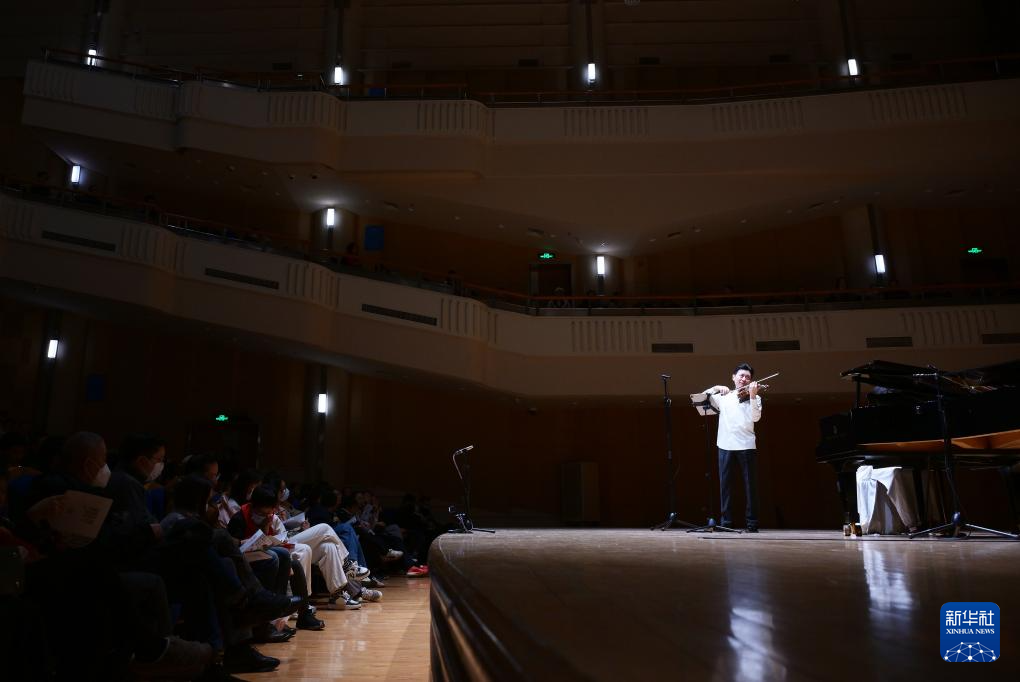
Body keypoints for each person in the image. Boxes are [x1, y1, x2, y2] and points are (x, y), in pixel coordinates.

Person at [704, 362, 763, 533]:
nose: (744, 379)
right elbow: (701, 398)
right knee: (725, 486)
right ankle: (726, 522)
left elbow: (756, 417)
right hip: (725, 444)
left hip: (746, 445)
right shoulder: (724, 397)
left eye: (748, 377)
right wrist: (716, 387)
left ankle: (752, 522)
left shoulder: (755, 397)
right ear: (733, 377)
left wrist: (753, 396)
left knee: (750, 486)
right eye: (741, 376)